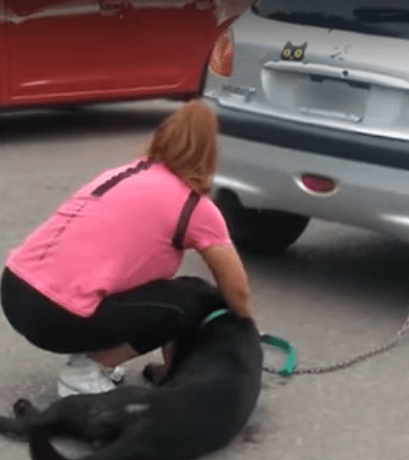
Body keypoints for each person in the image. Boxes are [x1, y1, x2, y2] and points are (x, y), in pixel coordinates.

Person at [1, 100, 254, 397]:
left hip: (14, 290)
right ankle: (85, 372)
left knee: (138, 286)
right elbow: (237, 290)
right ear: (210, 156)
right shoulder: (194, 206)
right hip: (56, 315)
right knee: (189, 299)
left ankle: (92, 356)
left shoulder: (123, 173)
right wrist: (247, 332)